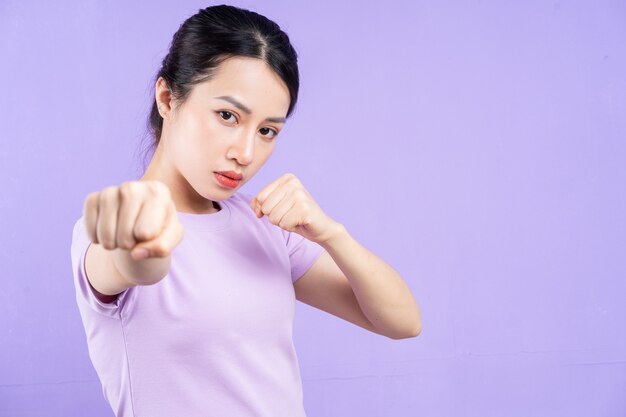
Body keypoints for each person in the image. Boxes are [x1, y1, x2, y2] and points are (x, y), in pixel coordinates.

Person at [70, 4, 422, 417]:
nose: (246, 153)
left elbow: (402, 322)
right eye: (227, 115)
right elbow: (128, 263)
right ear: (167, 98)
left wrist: (331, 234)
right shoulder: (113, 232)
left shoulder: (265, 225)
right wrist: (140, 245)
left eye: (267, 130)